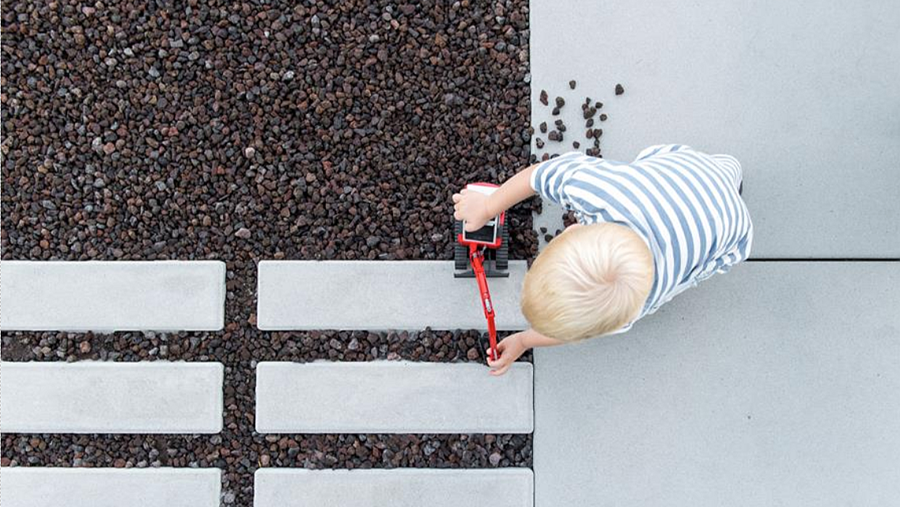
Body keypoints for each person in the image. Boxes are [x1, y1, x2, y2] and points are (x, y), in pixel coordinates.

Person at [453, 145, 752, 376]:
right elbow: (538, 175)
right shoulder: (601, 189)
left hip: (730, 226)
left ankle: (729, 174)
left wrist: (523, 341)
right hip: (693, 175)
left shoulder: (637, 306)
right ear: (570, 231)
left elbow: (538, 175)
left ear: (572, 228)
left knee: (695, 266)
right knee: (724, 169)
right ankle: (730, 172)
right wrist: (487, 206)